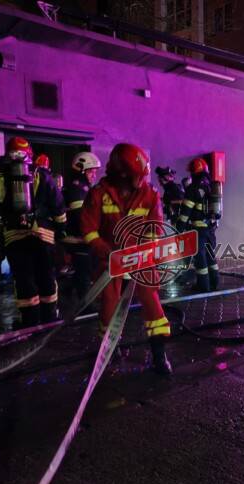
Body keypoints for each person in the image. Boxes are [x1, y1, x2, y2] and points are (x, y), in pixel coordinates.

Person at [81, 143, 172, 374]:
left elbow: (155, 227)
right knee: (109, 306)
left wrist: (145, 248)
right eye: (136, 176)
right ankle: (109, 349)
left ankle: (159, 354)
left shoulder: (149, 193)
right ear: (121, 174)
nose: (140, 181)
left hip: (140, 257)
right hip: (110, 259)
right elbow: (89, 229)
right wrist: (105, 250)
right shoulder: (99, 194)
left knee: (152, 303)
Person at [0, 137, 66, 327]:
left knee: (23, 279)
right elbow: (58, 207)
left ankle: (29, 321)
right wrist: (60, 231)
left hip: (14, 237)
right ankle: (50, 317)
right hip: (43, 235)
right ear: (30, 154)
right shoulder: (41, 175)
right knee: (46, 276)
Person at [62, 152, 102, 300]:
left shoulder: (81, 187)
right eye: (91, 171)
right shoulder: (77, 188)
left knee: (83, 270)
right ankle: (85, 305)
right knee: (84, 271)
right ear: (81, 170)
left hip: (79, 237)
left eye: (95, 172)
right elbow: (80, 216)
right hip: (77, 238)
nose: (94, 175)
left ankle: (69, 290)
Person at [176, 158, 220, 292]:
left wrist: (178, 229)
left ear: (193, 172)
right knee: (210, 256)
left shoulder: (193, 188)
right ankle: (214, 282)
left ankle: (203, 286)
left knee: (200, 259)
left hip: (198, 230)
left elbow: (185, 212)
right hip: (210, 229)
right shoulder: (210, 186)